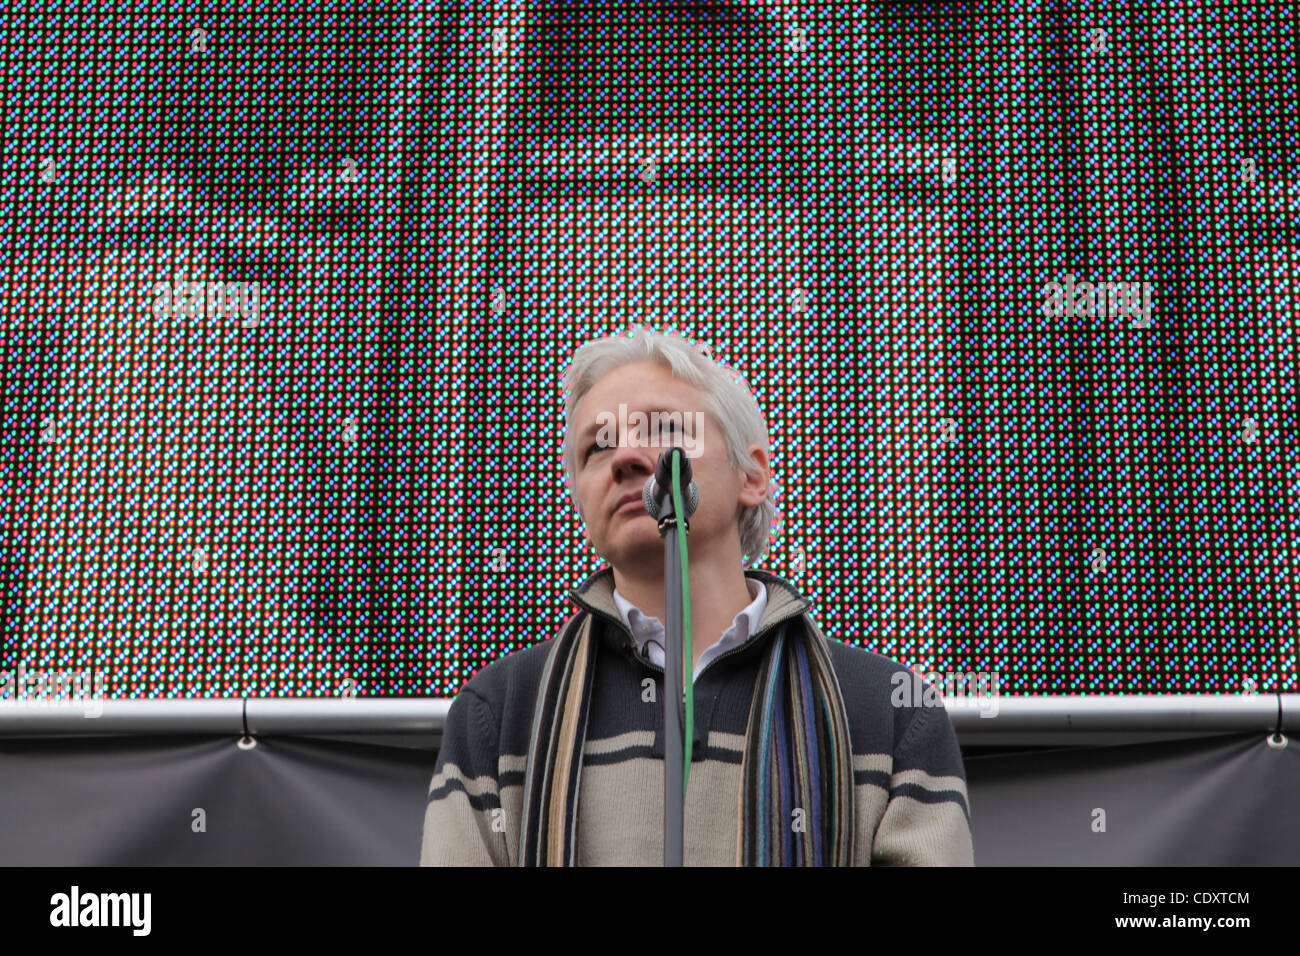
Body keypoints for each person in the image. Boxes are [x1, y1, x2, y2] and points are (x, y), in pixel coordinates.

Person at [420, 325, 974, 865]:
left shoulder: (891, 709)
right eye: (595, 448)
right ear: (581, 501)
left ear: (751, 477)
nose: (625, 458)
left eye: (662, 428)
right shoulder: (498, 711)